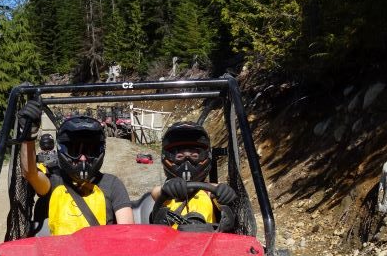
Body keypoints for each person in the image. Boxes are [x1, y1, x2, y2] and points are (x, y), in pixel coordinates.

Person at [18, 101, 134, 235]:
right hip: (60, 254)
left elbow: (127, 233)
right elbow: (30, 173)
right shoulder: (54, 183)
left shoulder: (112, 185)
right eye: (74, 151)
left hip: (101, 254)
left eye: (90, 151)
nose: (83, 158)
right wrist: (28, 135)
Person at [151, 121, 236, 228]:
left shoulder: (209, 191)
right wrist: (168, 188)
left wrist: (224, 192)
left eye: (194, 155)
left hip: (209, 242)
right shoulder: (168, 191)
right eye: (180, 156)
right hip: (170, 243)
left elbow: (218, 191)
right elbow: (155, 193)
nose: (187, 160)